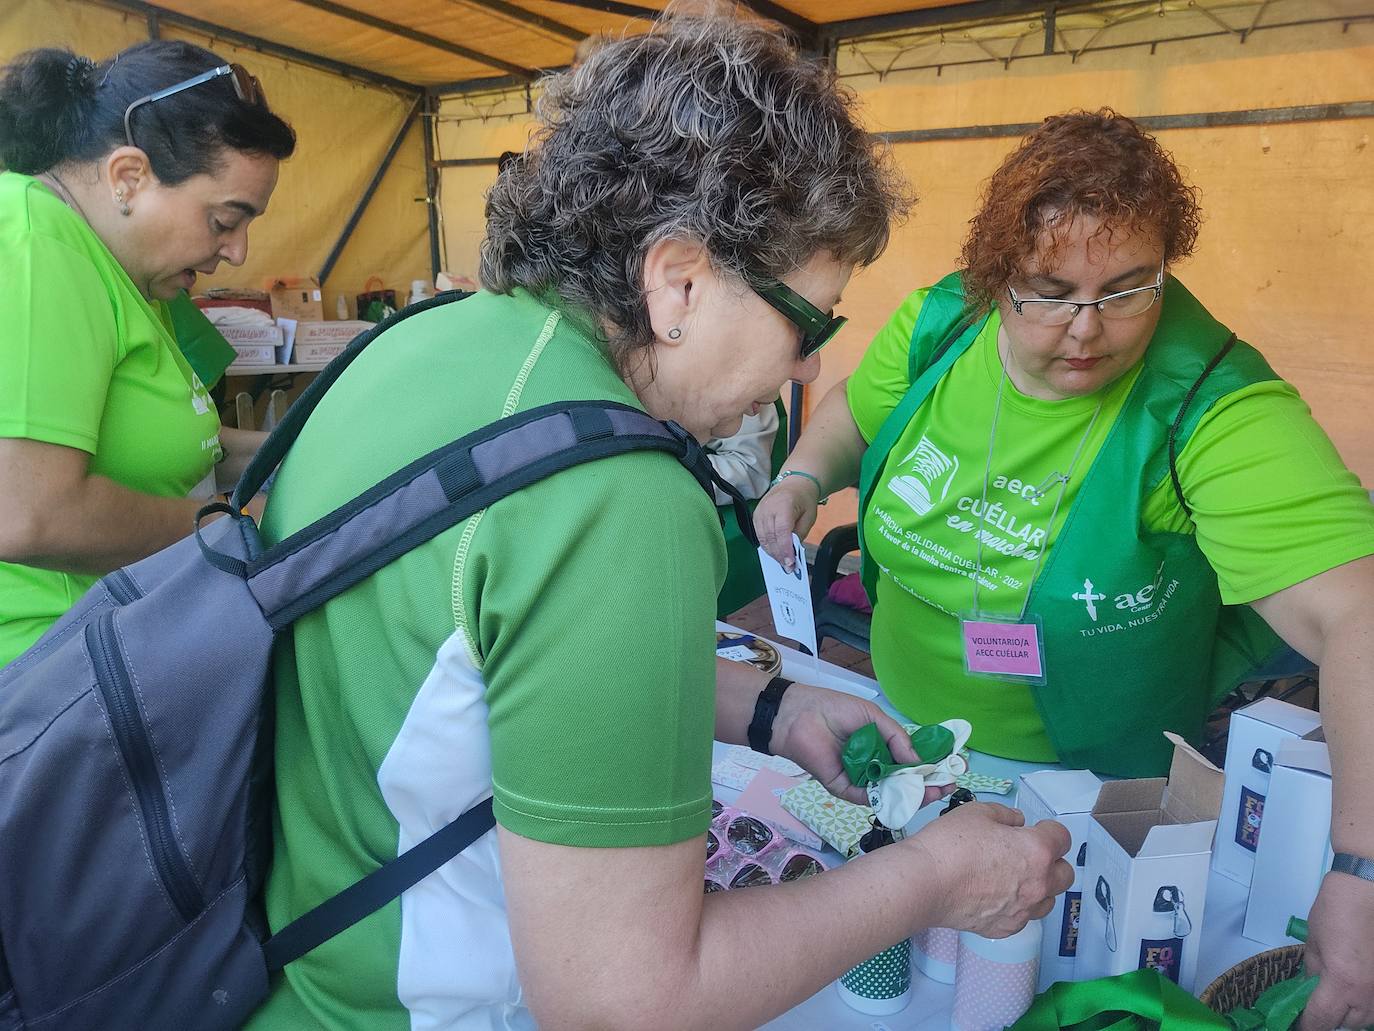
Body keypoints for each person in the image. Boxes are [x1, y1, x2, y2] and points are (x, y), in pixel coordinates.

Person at [247, 16, 1071, 1029]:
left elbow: (471, 674)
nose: (809, 367)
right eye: (809, 320)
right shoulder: (619, 496)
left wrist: (772, 710)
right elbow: (626, 1002)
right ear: (678, 281)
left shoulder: (424, 344)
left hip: (295, 977)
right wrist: (938, 879)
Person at [756, 109, 1374, 1030]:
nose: (1087, 329)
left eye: (1129, 289)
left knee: (1044, 977)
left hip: (1092, 797)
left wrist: (1361, 866)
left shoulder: (1207, 398)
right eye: (1048, 291)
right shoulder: (945, 324)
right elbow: (855, 408)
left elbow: (1357, 612)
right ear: (996, 274)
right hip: (902, 736)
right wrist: (807, 473)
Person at [0, 41, 295, 666]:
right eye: (224, 221)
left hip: (109, 649)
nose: (238, 252)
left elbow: (191, 443)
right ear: (129, 176)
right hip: (39, 684)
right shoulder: (36, 243)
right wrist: (236, 522)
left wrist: (315, 445)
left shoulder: (130, 272)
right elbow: (26, 513)